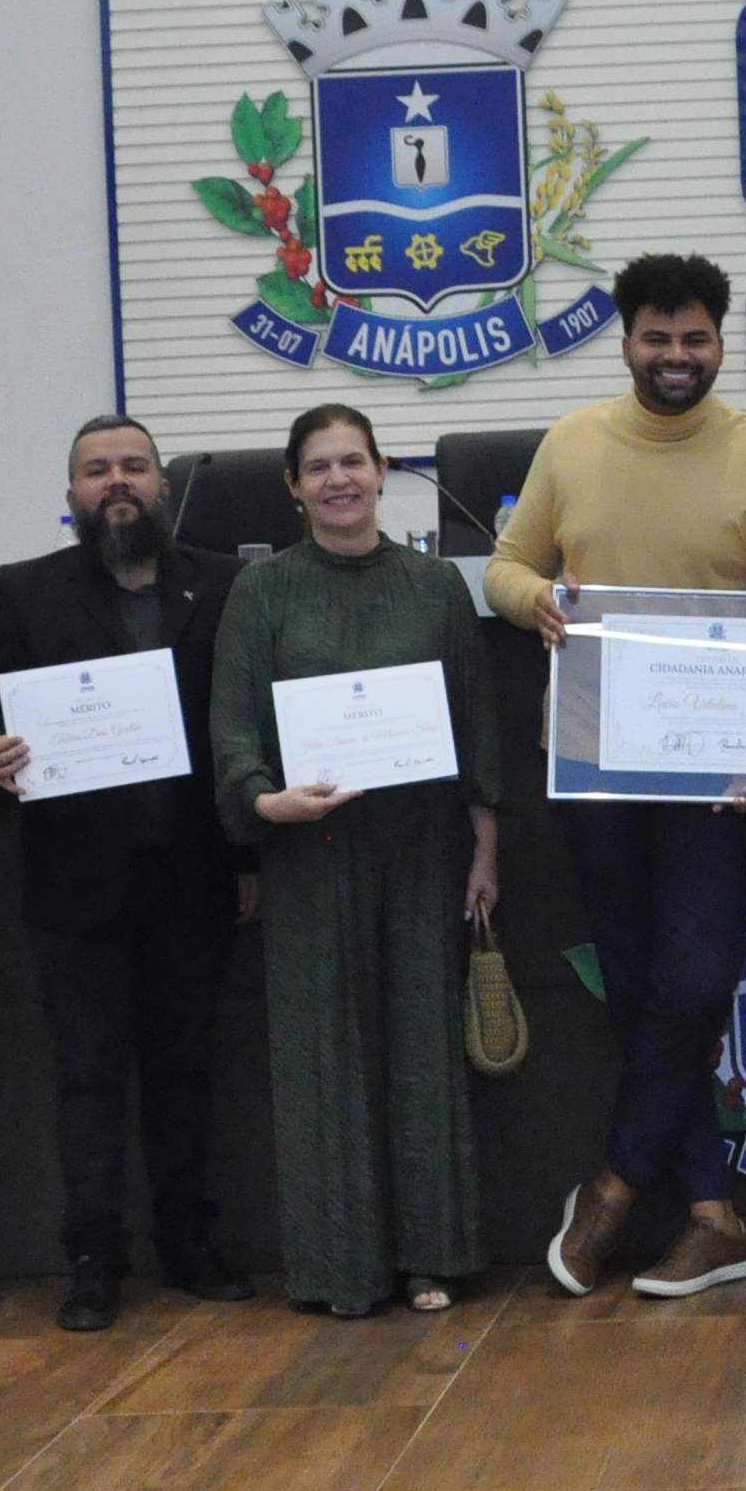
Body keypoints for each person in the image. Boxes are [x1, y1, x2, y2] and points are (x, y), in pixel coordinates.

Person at [486, 252, 746, 1300]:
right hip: (595, 759)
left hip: (723, 779)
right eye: (656, 338)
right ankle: (715, 1213)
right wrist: (534, 599)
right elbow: (504, 564)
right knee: (632, 982)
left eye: (695, 340)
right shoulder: (574, 442)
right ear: (625, 339)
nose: (676, 359)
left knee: (691, 980)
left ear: (721, 343)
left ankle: (620, 1185)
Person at [210, 403, 503, 1315]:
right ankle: (342, 1268)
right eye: (318, 466)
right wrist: (264, 799)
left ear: (382, 472)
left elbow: (477, 722)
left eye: (354, 461)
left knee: (421, 1046)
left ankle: (433, 1255)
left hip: (421, 850)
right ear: (293, 487)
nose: (338, 479)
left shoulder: (434, 587)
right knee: (322, 1055)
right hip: (310, 854)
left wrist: (486, 849)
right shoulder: (261, 593)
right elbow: (232, 722)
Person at [0, 415, 260, 1330]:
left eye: (135, 465)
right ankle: (93, 1257)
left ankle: (189, 1243)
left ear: (163, 486)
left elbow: (248, 725)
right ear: (72, 498)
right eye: (97, 471)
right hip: (75, 880)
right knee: (88, 1077)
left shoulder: (224, 585)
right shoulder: (18, 593)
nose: (118, 482)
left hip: (195, 874)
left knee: (185, 1071)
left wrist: (248, 854)